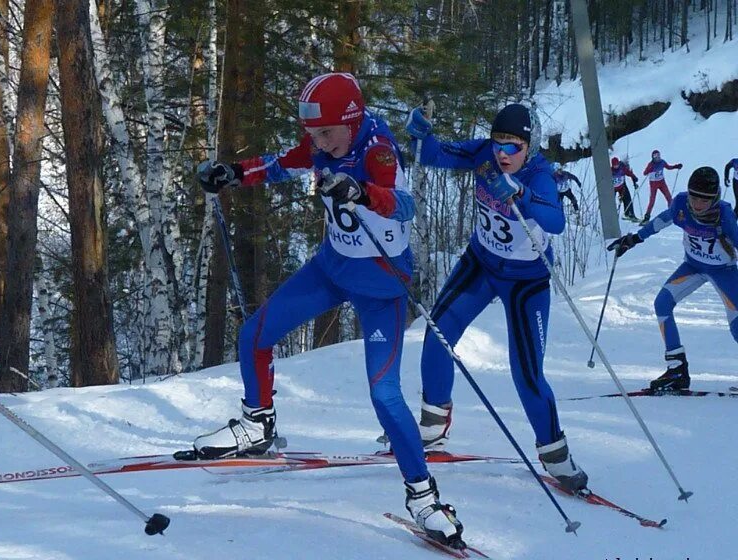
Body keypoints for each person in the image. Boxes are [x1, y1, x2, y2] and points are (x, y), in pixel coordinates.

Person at [192, 73, 464, 548]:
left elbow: (405, 206)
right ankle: (257, 423)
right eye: (312, 134)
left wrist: (361, 193)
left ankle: (423, 497)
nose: (316, 143)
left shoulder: (378, 149)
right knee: (255, 333)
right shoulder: (322, 143)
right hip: (331, 269)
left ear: (351, 121)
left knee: (385, 396)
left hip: (381, 284)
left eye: (323, 134)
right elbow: (280, 164)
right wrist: (233, 174)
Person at [405, 103, 588, 493]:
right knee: (437, 335)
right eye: (499, 143)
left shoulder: (539, 174)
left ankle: (556, 455)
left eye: (514, 147)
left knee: (526, 374)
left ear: (530, 147)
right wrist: (421, 136)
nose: (503, 154)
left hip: (526, 280)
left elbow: (555, 221)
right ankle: (433, 428)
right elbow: (438, 154)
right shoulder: (485, 156)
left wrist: (521, 193)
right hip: (482, 263)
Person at [608, 167, 738, 391]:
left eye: (704, 200)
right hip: (693, 266)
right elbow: (661, 220)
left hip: (722, 271)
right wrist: (634, 238)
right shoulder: (680, 204)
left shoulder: (724, 215)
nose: (697, 204)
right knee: (662, 303)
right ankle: (677, 370)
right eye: (694, 197)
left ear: (715, 198)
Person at [641, 149, 683, 224]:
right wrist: (649, 170)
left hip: (661, 182)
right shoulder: (651, 164)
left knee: (669, 197)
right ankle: (646, 217)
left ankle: (672, 213)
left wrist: (676, 166)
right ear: (653, 157)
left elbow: (668, 167)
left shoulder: (662, 162)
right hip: (653, 184)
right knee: (652, 200)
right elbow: (645, 173)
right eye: (655, 156)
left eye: (658, 155)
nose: (657, 157)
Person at [611, 156, 639, 221]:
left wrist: (634, 177)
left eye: (617, 164)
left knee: (628, 199)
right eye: (614, 165)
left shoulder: (622, 169)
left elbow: (629, 173)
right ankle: (612, 217)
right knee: (611, 202)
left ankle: (630, 214)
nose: (616, 166)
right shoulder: (610, 171)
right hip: (613, 188)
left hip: (622, 186)